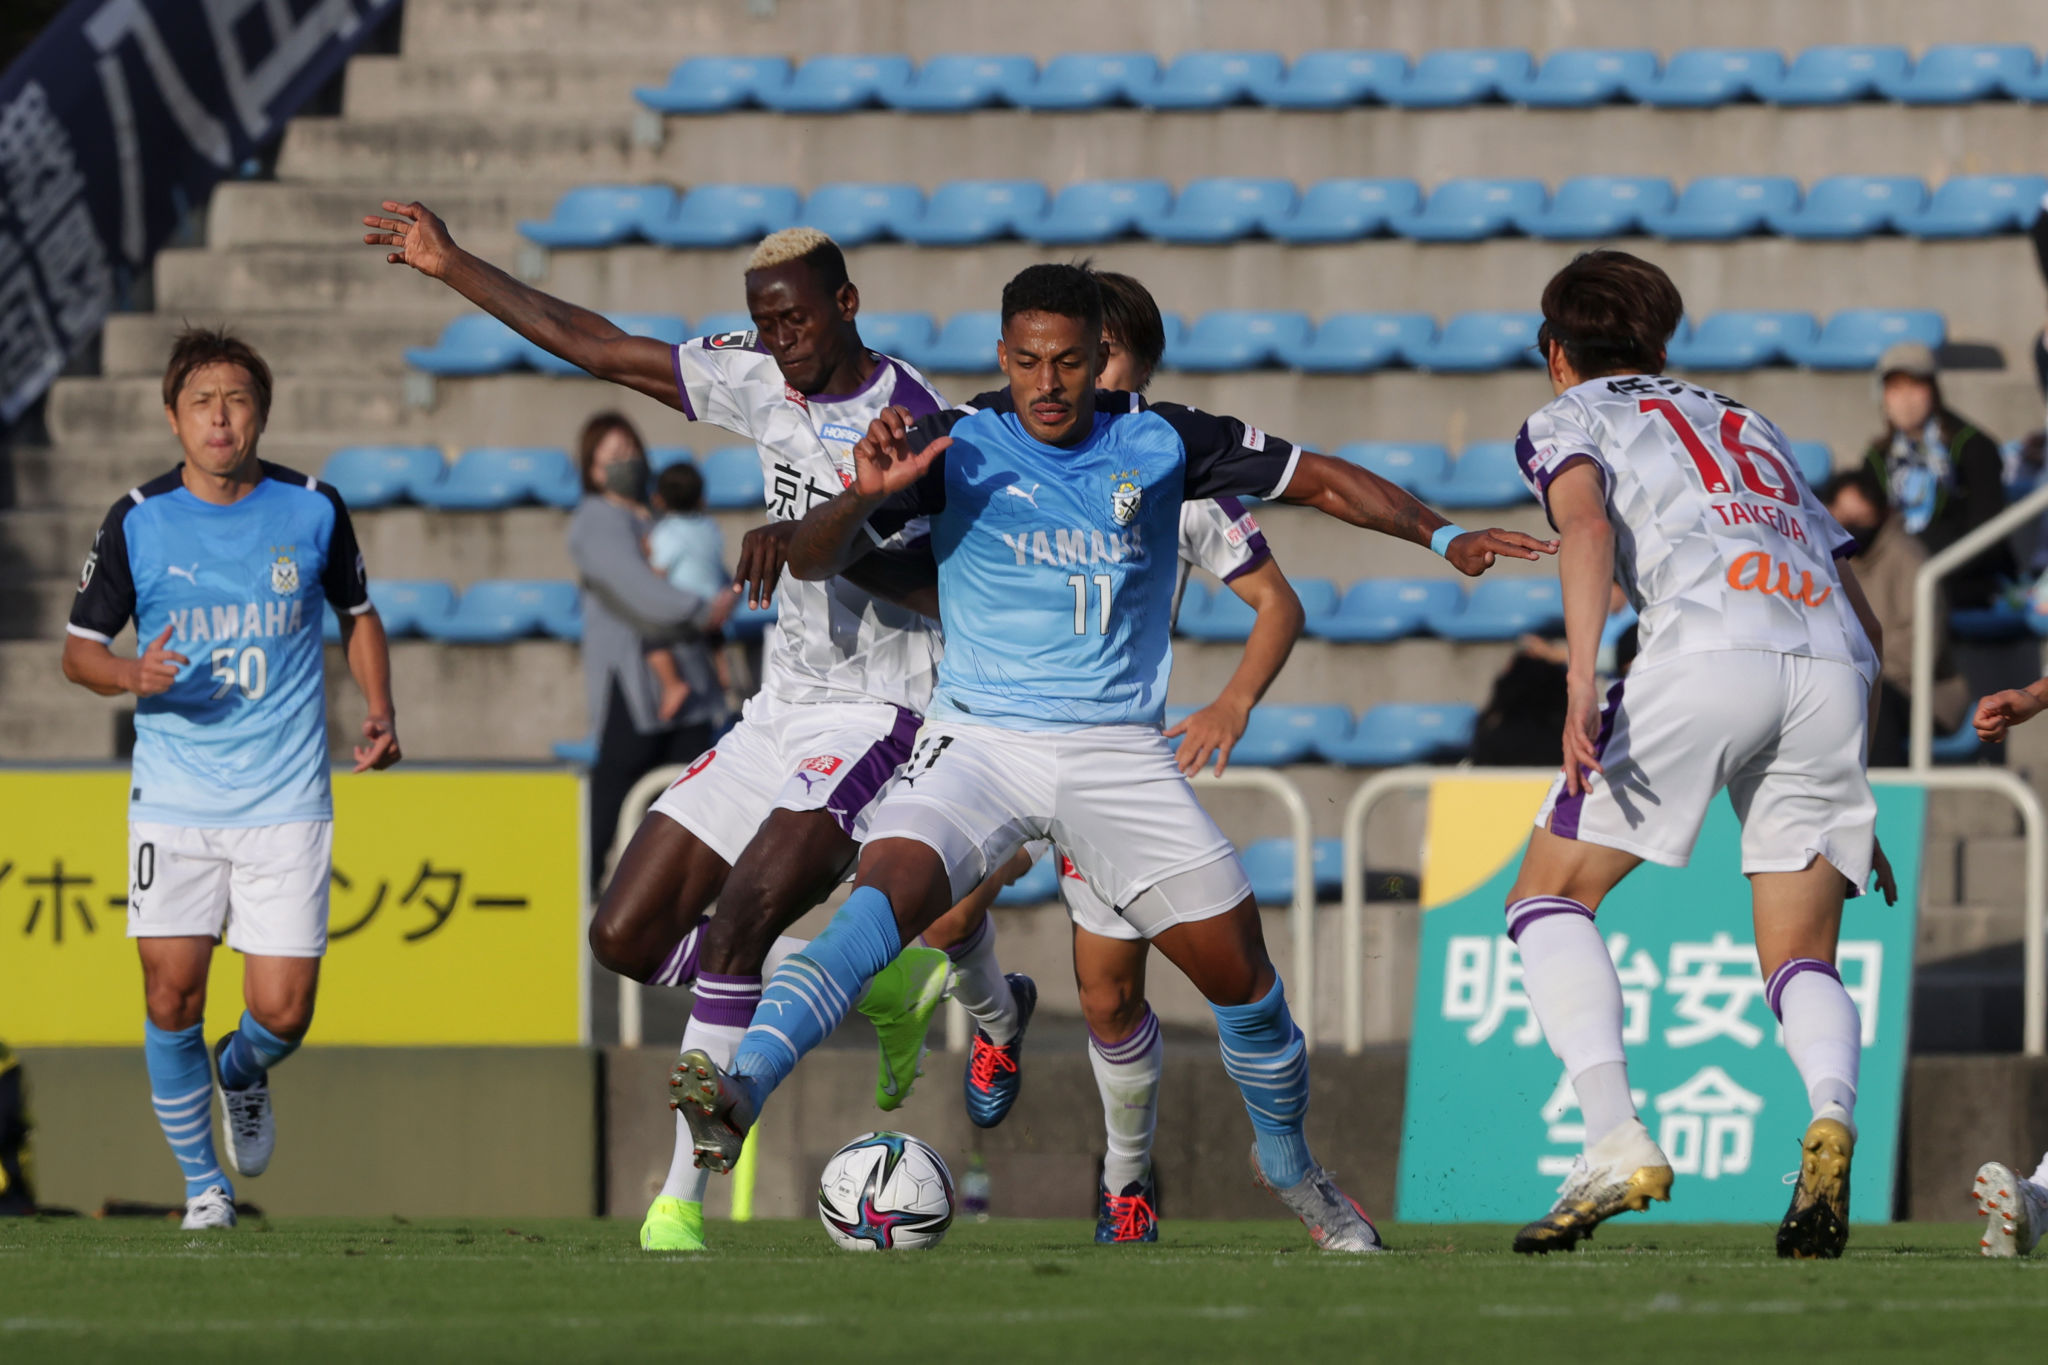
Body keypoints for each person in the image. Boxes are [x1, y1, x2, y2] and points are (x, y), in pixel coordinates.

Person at [671, 261, 1553, 1254]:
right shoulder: (946, 439)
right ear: (1001, 356)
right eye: (1025, 361)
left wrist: (1440, 535)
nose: (1045, 385)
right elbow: (820, 555)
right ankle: (740, 1090)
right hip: (980, 742)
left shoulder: (1164, 440)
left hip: (1116, 755)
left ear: (1101, 362)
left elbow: (1321, 479)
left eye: (1067, 363)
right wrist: (856, 497)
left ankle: (1292, 1168)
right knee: (881, 906)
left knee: (1246, 986)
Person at [363, 207, 957, 1253]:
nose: (782, 342)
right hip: (778, 710)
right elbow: (600, 347)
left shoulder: (910, 417)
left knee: (734, 924)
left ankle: (678, 1199)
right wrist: (452, 265)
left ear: (847, 304)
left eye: (798, 320)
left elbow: (941, 589)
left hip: (876, 711)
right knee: (623, 935)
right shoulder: (760, 377)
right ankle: (866, 978)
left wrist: (823, 538)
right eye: (765, 324)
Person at [1498, 250, 1896, 1261]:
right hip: (1831, 663)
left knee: (1545, 899)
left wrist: (1581, 676)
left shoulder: (1566, 416)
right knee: (1799, 955)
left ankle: (1611, 1138)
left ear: (1555, 353)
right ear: (1660, 343)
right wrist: (1861, 777)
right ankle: (1829, 1119)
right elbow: (1861, 611)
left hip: (1705, 649)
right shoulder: (1741, 418)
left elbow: (1583, 525)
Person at [918, 269, 1308, 1243]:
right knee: (942, 908)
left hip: (1110, 755)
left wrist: (1231, 701)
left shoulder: (1170, 470)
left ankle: (1124, 1182)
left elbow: (1276, 603)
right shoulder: (1005, 445)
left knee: (1107, 998)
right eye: (1051, 362)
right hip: (1004, 731)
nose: (1069, 384)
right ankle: (998, 1019)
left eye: (1103, 362)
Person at [59, 327, 402, 1230]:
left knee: (282, 1011)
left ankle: (241, 1069)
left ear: (262, 413)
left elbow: (359, 614)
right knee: (169, 991)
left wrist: (380, 707)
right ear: (173, 415)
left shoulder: (314, 507)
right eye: (203, 400)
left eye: (238, 398)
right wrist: (131, 675)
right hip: (174, 799)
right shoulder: (137, 518)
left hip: (286, 797)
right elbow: (79, 652)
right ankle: (203, 1188)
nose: (221, 416)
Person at [570, 412, 736, 880]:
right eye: (611, 457)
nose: (625, 462)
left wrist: (721, 600)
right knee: (617, 791)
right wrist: (705, 611)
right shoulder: (595, 521)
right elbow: (639, 590)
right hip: (634, 682)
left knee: (683, 805)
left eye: (630, 452)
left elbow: (707, 574)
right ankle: (587, 893)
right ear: (590, 469)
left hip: (694, 683)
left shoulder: (665, 518)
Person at [1822, 467, 1970, 764]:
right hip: (1845, 684)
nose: (1847, 523)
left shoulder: (1909, 558)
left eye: (1857, 516)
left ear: (1879, 513)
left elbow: (1921, 648)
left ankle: (1884, 800)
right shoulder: (1823, 558)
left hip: (1922, 696)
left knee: (1868, 700)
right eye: (1838, 514)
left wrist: (1858, 666)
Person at [1862, 340, 2012, 608]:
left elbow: (1989, 536)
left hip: (1961, 577)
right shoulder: (1877, 457)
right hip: (1897, 578)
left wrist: (1925, 566)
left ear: (1934, 391)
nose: (1905, 399)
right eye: (1895, 388)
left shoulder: (1973, 447)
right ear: (1882, 397)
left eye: (1915, 386)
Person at [642, 461, 731, 724]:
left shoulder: (667, 532)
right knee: (715, 637)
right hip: (714, 609)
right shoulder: (710, 528)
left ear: (658, 500)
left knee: (650, 634)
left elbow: (657, 574)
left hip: (687, 611)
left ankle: (672, 684)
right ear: (701, 498)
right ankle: (722, 669)